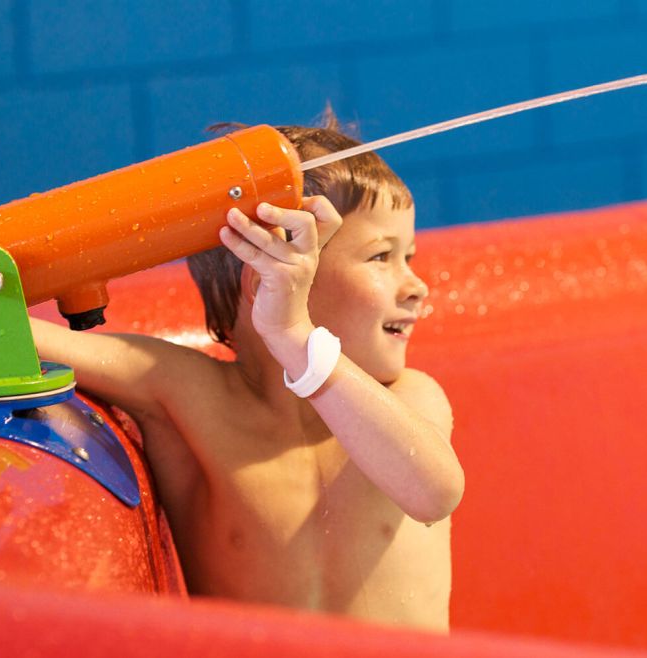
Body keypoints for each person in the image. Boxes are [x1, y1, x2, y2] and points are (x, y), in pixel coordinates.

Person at [29, 112, 464, 632]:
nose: (417, 286)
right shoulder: (188, 395)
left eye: (408, 255)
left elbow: (433, 493)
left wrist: (297, 339)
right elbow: (5, 333)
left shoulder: (410, 398)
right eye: (381, 257)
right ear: (267, 281)